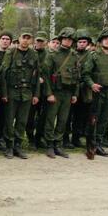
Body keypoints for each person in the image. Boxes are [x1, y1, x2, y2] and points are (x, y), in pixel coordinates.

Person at [81, 28, 108, 159]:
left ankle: (98, 144)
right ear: (100, 41)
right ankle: (90, 145)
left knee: (104, 121)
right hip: (97, 92)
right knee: (93, 119)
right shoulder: (93, 55)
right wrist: (92, 84)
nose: (107, 40)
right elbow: (85, 74)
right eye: (105, 38)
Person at [0, 28, 40, 159]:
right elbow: (3, 74)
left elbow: (37, 75)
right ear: (19, 38)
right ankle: (9, 146)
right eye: (24, 37)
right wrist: (4, 94)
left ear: (31, 40)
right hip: (12, 92)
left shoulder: (34, 54)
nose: (26, 40)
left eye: (29, 38)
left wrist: (36, 95)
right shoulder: (11, 52)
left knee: (22, 121)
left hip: (27, 93)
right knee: (9, 120)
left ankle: (18, 145)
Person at [41, 27, 79, 159]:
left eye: (70, 40)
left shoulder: (74, 56)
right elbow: (45, 76)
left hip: (68, 92)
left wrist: (75, 94)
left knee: (63, 120)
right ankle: (49, 145)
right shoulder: (52, 55)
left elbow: (77, 76)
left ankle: (58, 144)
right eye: (65, 39)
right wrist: (49, 93)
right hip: (55, 92)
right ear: (61, 39)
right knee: (50, 120)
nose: (67, 42)